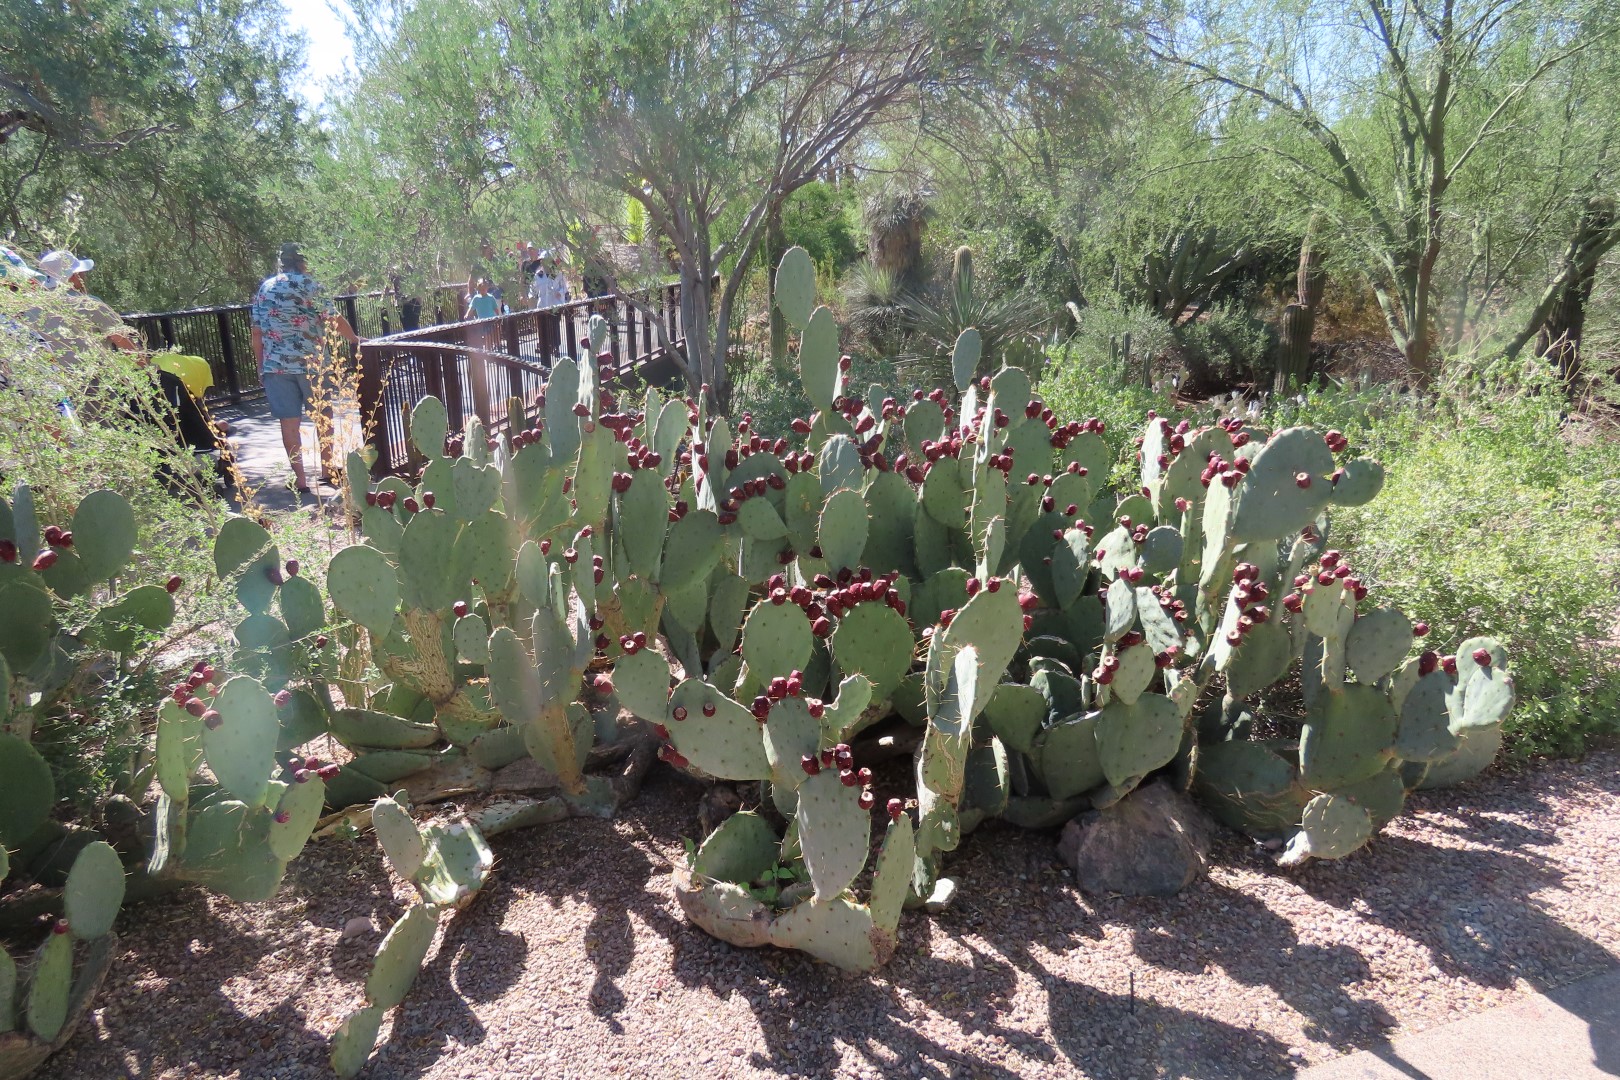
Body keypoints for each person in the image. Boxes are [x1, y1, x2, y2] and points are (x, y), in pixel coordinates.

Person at [249, 242, 360, 495]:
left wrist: (260, 366)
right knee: (323, 417)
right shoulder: (311, 285)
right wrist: (354, 339)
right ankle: (327, 470)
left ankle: (300, 481)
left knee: (289, 423)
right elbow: (333, 318)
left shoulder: (265, 289)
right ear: (302, 261)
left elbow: (257, 332)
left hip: (276, 367)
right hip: (313, 364)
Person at [37, 250, 138, 351]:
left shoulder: (32, 307)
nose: (84, 275)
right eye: (80, 272)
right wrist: (150, 365)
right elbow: (125, 344)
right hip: (93, 365)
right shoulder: (90, 304)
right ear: (72, 276)